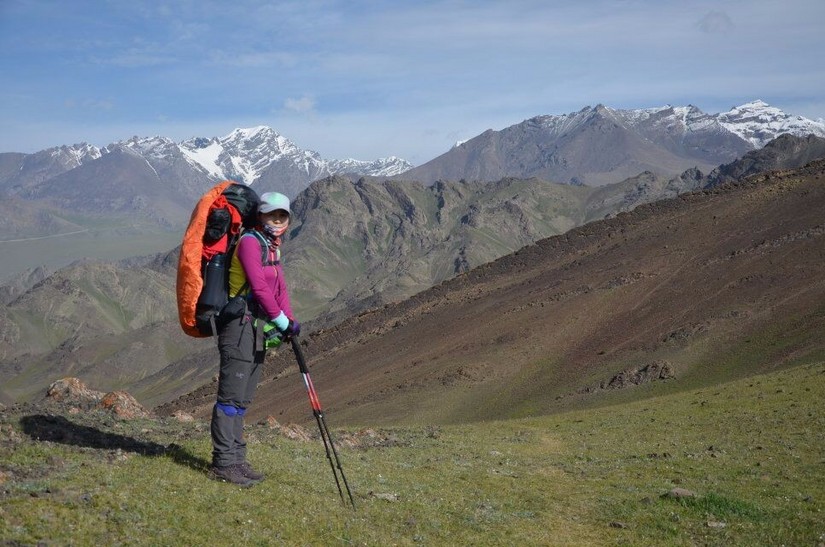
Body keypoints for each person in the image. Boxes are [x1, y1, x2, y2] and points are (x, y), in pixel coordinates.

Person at [208, 191, 300, 487]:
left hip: (258, 327)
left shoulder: (273, 246)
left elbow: (279, 288)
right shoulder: (249, 242)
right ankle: (224, 463)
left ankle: (237, 459)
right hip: (239, 326)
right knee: (230, 397)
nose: (277, 220)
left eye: (282, 215)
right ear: (259, 215)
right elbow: (259, 289)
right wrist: (282, 320)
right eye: (272, 214)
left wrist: (289, 320)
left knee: (243, 399)